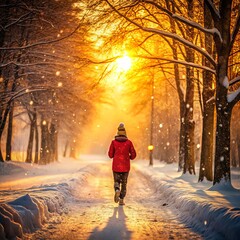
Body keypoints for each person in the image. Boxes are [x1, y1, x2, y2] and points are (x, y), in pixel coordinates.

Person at [108, 123, 136, 205]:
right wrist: (129, 157)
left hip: (116, 165)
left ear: (117, 132)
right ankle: (121, 199)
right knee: (124, 183)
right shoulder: (129, 143)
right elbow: (134, 154)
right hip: (125, 166)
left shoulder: (113, 142)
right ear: (125, 132)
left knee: (117, 181)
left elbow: (110, 155)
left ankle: (117, 189)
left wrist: (115, 155)